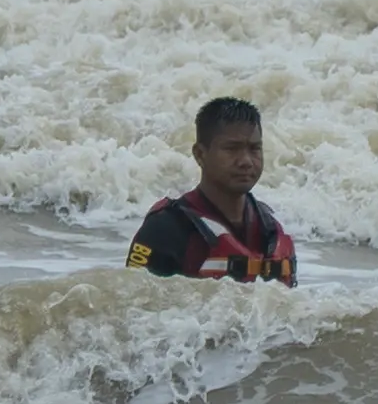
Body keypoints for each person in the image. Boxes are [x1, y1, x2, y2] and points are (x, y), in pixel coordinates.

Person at [125, 96, 296, 284]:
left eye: (254, 149)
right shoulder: (163, 230)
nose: (246, 161)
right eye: (232, 149)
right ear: (200, 154)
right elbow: (131, 306)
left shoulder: (270, 228)